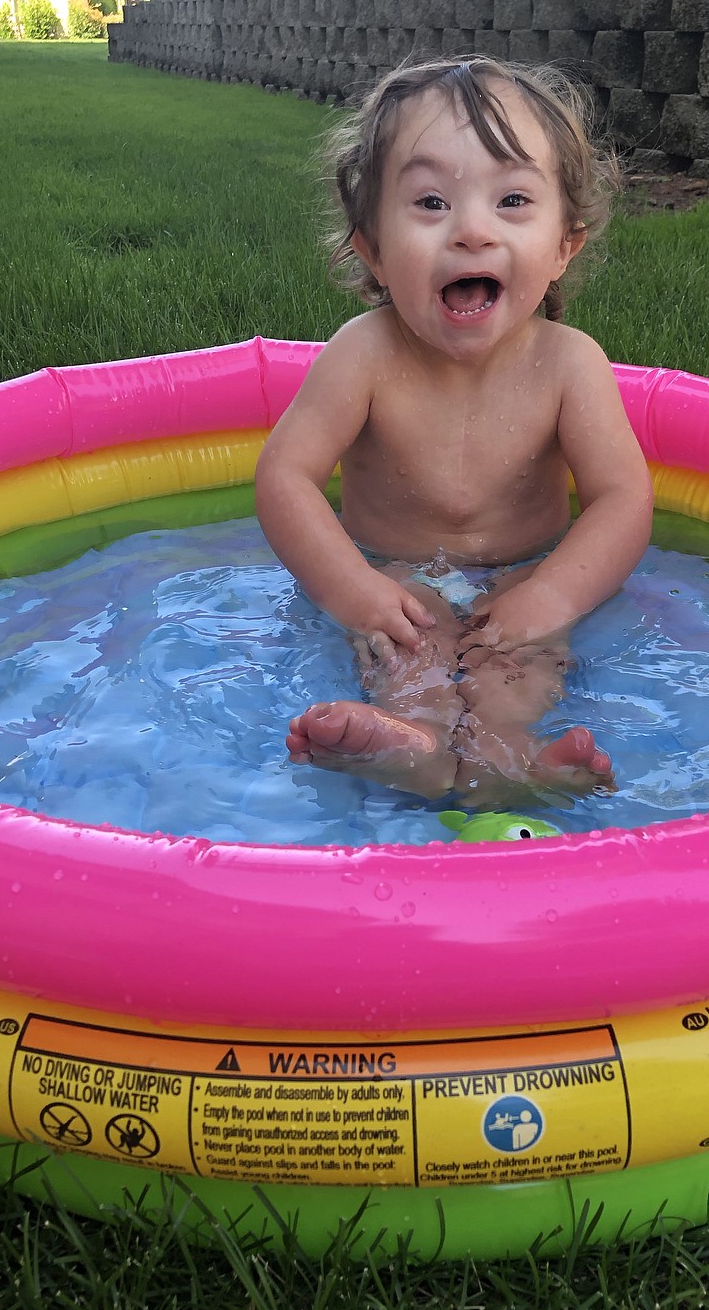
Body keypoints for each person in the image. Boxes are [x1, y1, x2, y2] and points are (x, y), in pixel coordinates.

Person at [254, 56, 653, 807]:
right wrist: (355, 590)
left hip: (525, 572)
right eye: (431, 201)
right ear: (371, 246)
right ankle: (415, 744)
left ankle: (508, 753)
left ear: (565, 245)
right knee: (409, 646)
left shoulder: (571, 365)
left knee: (522, 658)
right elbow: (285, 476)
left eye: (510, 200)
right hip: (395, 574)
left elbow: (622, 497)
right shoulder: (361, 355)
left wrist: (554, 597)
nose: (471, 231)